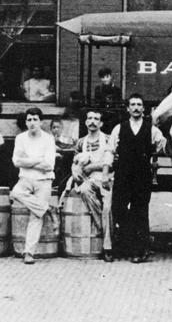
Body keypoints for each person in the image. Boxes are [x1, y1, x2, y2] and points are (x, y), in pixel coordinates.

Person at [104, 93, 167, 263]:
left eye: (139, 104)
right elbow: (110, 150)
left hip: (142, 175)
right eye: (133, 104)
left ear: (143, 108)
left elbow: (162, 144)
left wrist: (155, 154)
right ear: (128, 108)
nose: (136, 107)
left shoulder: (152, 129)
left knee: (140, 211)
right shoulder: (119, 128)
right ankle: (127, 245)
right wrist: (105, 172)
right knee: (118, 208)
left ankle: (140, 250)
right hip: (123, 174)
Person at [10, 107, 57, 264]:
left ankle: (29, 253)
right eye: (29, 120)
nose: (32, 123)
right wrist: (38, 160)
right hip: (25, 179)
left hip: (44, 181)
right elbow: (16, 162)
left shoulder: (48, 139)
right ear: (25, 122)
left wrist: (28, 161)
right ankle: (48, 209)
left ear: (41, 122)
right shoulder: (21, 138)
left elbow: (49, 166)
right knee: (15, 193)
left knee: (35, 216)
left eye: (35, 119)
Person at [69, 108, 114, 261]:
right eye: (90, 118)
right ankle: (105, 233)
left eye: (96, 119)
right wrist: (75, 170)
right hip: (89, 180)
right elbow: (74, 161)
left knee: (107, 207)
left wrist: (91, 167)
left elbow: (114, 163)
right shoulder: (81, 142)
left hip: (106, 179)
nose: (92, 121)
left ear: (101, 123)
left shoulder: (108, 139)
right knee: (84, 190)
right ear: (86, 122)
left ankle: (108, 248)